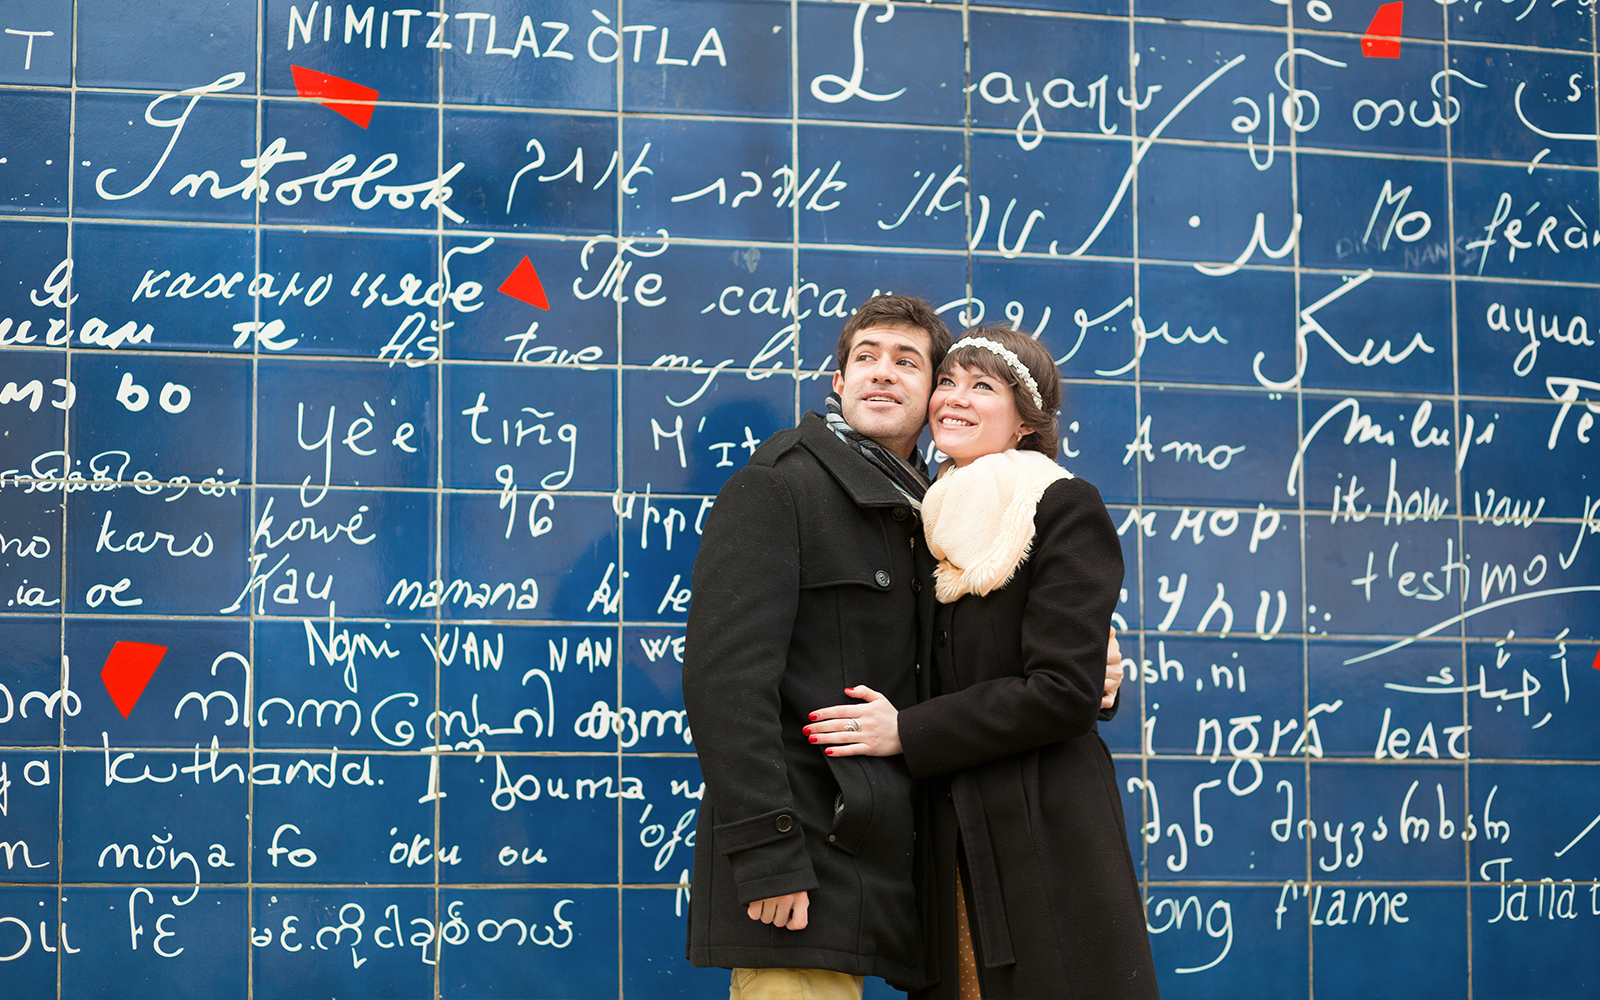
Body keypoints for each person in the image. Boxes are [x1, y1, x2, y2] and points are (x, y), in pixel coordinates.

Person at [807, 326, 1160, 999]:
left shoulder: (1060, 506)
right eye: (947, 381)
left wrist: (906, 732)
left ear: (1027, 421)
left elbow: (1061, 691)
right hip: (952, 842)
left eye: (982, 386)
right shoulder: (926, 520)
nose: (953, 398)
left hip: (1043, 840)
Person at [681, 294, 951, 999]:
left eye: (906, 362)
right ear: (838, 382)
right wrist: (769, 855)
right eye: (865, 358)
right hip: (800, 861)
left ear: (934, 392)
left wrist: (1091, 668)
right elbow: (725, 685)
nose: (882, 373)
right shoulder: (781, 485)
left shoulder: (939, 513)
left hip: (891, 863)